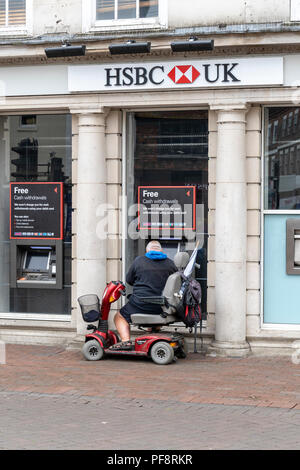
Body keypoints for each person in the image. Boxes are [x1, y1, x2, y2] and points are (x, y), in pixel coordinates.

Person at [113, 240, 177, 349]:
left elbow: (129, 280)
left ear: (147, 251)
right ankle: (153, 332)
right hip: (162, 307)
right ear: (161, 250)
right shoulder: (171, 264)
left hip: (141, 304)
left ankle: (125, 341)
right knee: (156, 310)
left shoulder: (139, 261)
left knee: (119, 316)